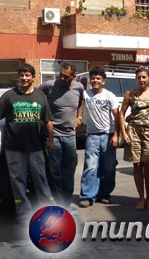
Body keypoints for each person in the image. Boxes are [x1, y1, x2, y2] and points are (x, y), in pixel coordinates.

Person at [0, 63, 55, 219]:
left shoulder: (41, 96)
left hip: (36, 147)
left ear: (33, 78)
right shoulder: (9, 96)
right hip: (14, 148)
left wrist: (51, 141)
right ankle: (23, 212)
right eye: (21, 75)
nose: (24, 78)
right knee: (18, 181)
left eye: (27, 75)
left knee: (41, 180)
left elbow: (48, 121)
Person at [38, 63, 84, 208]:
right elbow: (35, 95)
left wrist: (79, 117)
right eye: (61, 75)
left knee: (69, 171)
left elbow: (81, 101)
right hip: (53, 136)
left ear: (73, 76)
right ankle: (59, 203)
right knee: (54, 171)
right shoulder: (49, 85)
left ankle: (66, 201)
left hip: (70, 136)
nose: (62, 78)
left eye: (66, 76)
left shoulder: (79, 87)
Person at [78, 66, 119, 208]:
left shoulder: (110, 96)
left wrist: (116, 135)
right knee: (91, 167)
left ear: (103, 81)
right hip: (92, 136)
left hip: (108, 135)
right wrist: (78, 117)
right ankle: (88, 196)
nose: (95, 80)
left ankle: (105, 194)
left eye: (98, 78)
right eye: (93, 78)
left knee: (108, 168)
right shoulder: (85, 94)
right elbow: (79, 105)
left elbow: (117, 116)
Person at [119, 66, 149, 211]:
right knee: (137, 166)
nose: (141, 80)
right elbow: (121, 113)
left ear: (148, 78)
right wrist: (124, 133)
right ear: (136, 79)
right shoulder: (130, 94)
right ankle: (141, 198)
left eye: (144, 77)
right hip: (134, 132)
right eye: (139, 77)